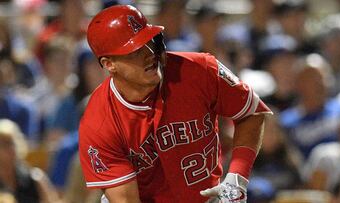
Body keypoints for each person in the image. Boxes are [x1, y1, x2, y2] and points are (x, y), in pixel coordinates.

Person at [79, 5, 272, 203]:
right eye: (134, 50)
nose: (149, 53)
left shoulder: (199, 70)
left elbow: (251, 113)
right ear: (109, 64)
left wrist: (236, 179)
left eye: (149, 41)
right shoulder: (99, 123)